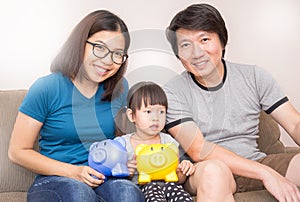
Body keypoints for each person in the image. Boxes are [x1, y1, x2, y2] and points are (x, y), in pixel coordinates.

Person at [164, 3, 300, 202]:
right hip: (203, 169)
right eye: (185, 45)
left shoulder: (254, 76)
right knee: (214, 172)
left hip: (257, 161)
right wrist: (266, 173)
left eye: (204, 39)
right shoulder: (172, 91)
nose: (197, 52)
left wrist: (264, 169)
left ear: (222, 41)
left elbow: (295, 123)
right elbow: (199, 150)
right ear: (178, 55)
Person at [8, 10, 144, 202]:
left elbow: (118, 140)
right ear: (81, 44)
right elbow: (18, 151)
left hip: (104, 177)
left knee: (128, 193)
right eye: (100, 47)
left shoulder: (120, 88)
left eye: (117, 54)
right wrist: (74, 172)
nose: (107, 61)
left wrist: (126, 161)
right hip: (55, 179)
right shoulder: (47, 87)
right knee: (79, 194)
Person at [118, 81, 194, 202]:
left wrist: (183, 170)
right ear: (132, 115)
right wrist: (127, 171)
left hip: (170, 186)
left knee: (179, 193)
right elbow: (114, 178)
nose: (155, 118)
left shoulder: (168, 141)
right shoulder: (122, 144)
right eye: (148, 112)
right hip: (142, 189)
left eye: (161, 112)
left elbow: (179, 179)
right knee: (152, 188)